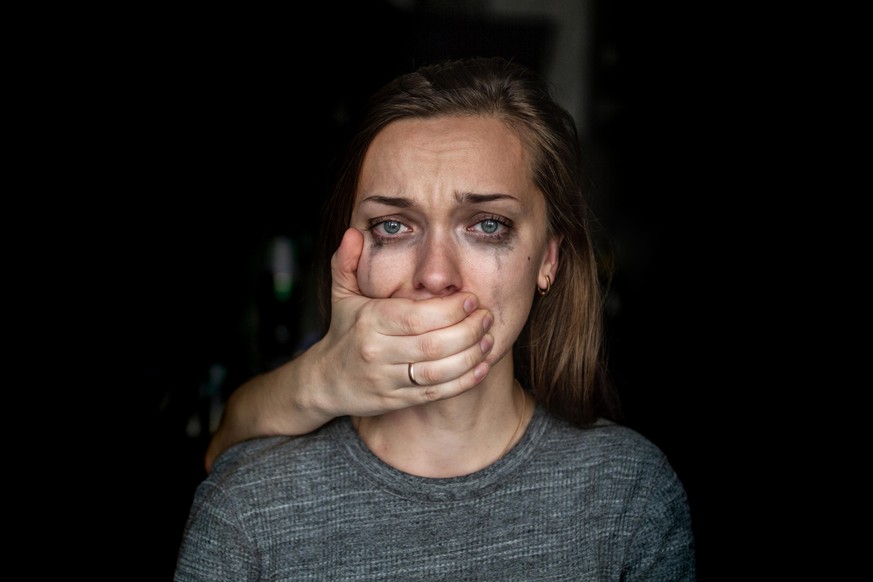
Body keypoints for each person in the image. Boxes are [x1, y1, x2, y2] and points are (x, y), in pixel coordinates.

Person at [175, 56, 696, 580]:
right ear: (349, 255)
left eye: (488, 224)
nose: (435, 275)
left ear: (549, 260)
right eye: (394, 227)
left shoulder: (628, 494)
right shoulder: (248, 503)